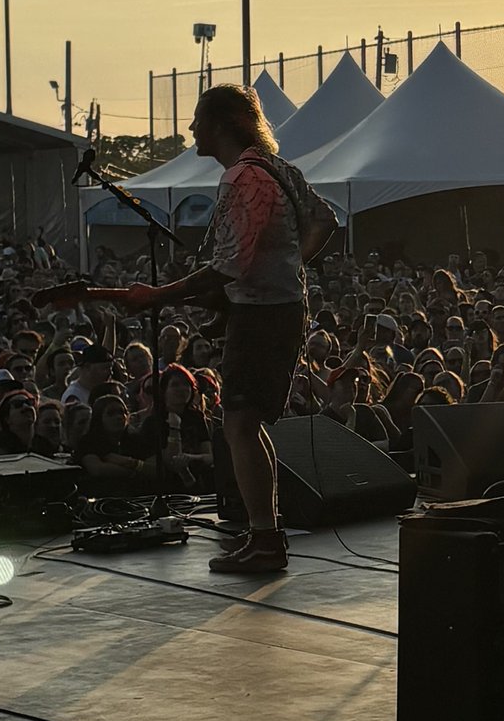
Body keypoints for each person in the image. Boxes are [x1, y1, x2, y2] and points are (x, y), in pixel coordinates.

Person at [49, 83, 334, 576]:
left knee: (241, 424)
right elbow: (324, 221)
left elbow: (230, 265)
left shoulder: (244, 177)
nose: (191, 129)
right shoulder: (279, 169)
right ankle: (266, 534)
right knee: (246, 424)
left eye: (199, 120)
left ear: (223, 123)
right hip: (276, 308)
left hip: (262, 315)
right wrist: (289, 266)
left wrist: (157, 296)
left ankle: (266, 539)